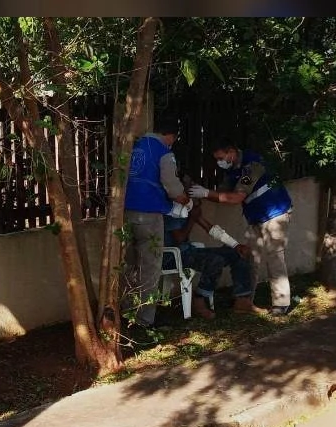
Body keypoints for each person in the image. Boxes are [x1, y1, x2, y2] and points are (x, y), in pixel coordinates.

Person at [188, 139, 295, 315]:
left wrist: (206, 193)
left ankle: (281, 304)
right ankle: (245, 300)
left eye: (221, 158)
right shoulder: (233, 170)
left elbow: (236, 197)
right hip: (256, 217)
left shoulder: (251, 165)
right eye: (216, 159)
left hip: (275, 213)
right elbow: (223, 193)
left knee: (274, 256)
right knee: (250, 257)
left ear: (231, 152)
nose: (219, 162)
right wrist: (202, 192)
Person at [123, 120, 190, 330]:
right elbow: (172, 187)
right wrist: (185, 200)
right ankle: (145, 319)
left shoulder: (134, 145)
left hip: (125, 212)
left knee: (127, 264)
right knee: (150, 267)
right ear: (171, 136)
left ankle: (125, 312)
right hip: (149, 213)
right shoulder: (164, 152)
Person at [161, 179, 257, 318]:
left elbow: (210, 229)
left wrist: (235, 245)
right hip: (172, 256)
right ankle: (199, 299)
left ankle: (242, 300)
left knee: (237, 253)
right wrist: (192, 219)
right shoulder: (171, 210)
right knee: (215, 260)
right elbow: (179, 239)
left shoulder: (189, 208)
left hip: (188, 251)